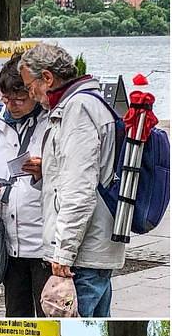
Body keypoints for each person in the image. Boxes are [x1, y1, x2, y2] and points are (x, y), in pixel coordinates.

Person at [18, 43, 121, 317]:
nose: (30, 93)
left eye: (30, 86)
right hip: (91, 247)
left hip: (82, 254)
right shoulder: (85, 104)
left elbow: (79, 190)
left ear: (48, 78)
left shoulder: (77, 110)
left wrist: (63, 254)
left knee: (69, 326)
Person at [0, 53, 50, 316]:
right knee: (16, 315)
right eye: (6, 99)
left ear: (34, 91)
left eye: (20, 99)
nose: (13, 105)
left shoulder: (52, 120)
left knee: (48, 315)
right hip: (8, 238)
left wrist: (44, 171)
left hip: (44, 241)